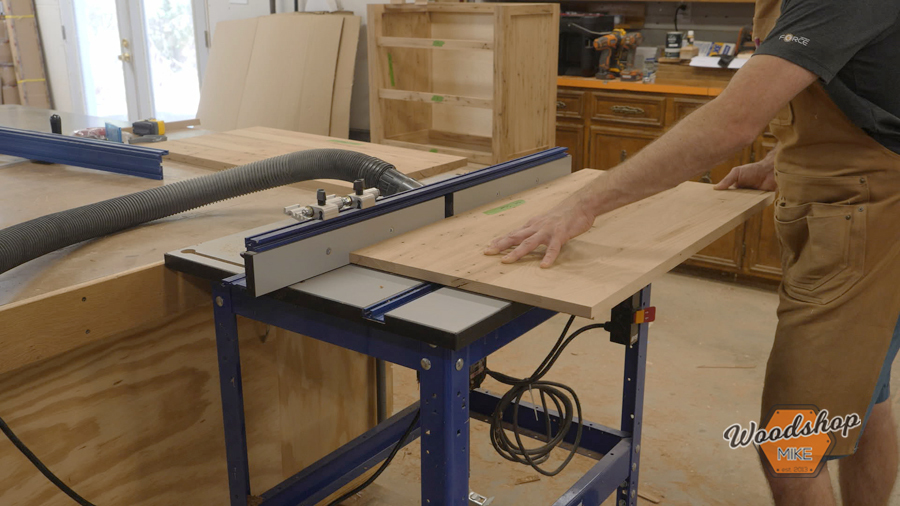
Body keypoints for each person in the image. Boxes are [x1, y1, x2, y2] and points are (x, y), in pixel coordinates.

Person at [485, 0, 900, 504]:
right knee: (867, 395)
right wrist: (785, 155)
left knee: (792, 445)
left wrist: (585, 203)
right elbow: (869, 85)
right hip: (858, 206)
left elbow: (734, 120)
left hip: (869, 218)